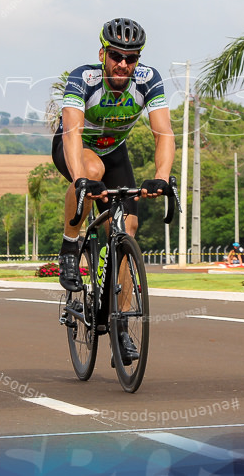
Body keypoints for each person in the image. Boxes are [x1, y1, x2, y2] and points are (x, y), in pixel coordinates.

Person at [53, 19, 176, 360]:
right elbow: (72, 135)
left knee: (127, 229)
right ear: (103, 54)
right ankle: (70, 243)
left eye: (131, 57)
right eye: (117, 56)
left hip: (115, 152)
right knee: (92, 170)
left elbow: (163, 133)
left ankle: (120, 327)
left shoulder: (148, 80)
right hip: (76, 149)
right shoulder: (84, 78)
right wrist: (81, 179)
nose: (124, 64)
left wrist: (162, 177)